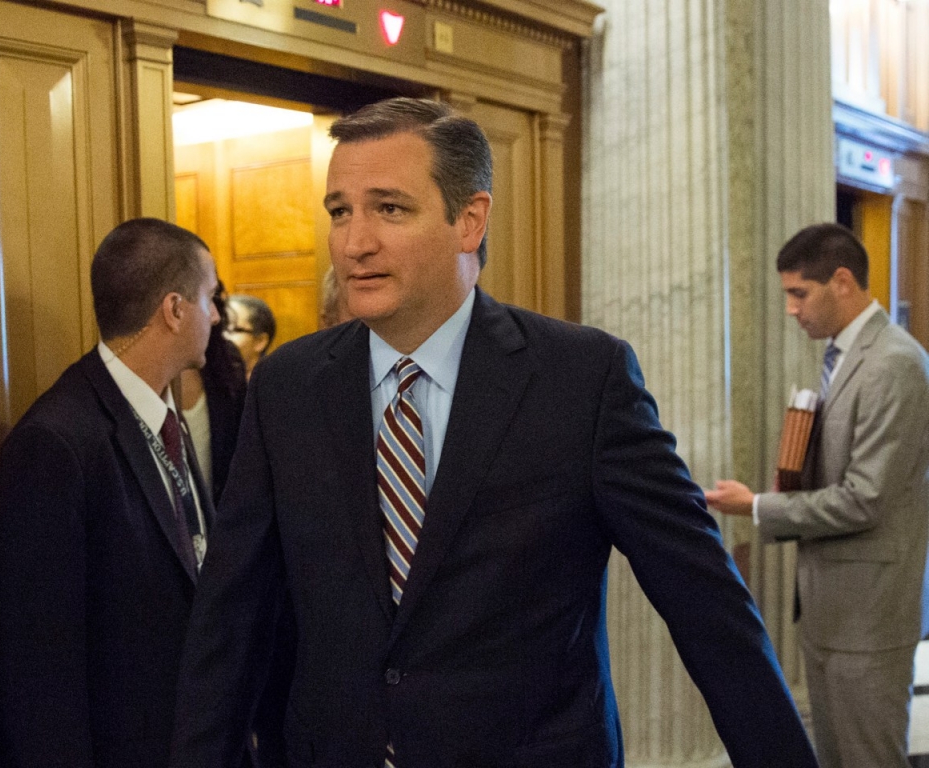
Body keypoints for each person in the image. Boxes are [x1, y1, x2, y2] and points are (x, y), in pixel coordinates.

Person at [170, 98, 817, 768]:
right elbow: (231, 619)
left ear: (469, 221)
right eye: (341, 211)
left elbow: (708, 609)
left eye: (389, 208)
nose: (354, 241)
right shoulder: (288, 388)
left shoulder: (582, 380)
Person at [0, 218, 220, 768]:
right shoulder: (54, 443)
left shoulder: (164, 412)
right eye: (211, 297)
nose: (217, 315)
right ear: (175, 309)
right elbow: (37, 669)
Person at [706, 222, 929, 768]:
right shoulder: (844, 354)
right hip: (834, 606)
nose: (791, 308)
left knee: (869, 758)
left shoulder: (894, 363)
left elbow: (865, 498)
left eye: (798, 293)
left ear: (843, 282)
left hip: (870, 615)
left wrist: (758, 506)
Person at [180, 281, 248, 504]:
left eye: (214, 298)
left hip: (219, 521)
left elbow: (242, 457)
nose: (215, 315)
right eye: (206, 299)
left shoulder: (227, 363)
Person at [227, 293, 276, 381]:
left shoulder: (277, 386)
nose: (222, 336)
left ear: (260, 341)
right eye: (218, 328)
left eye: (232, 330)